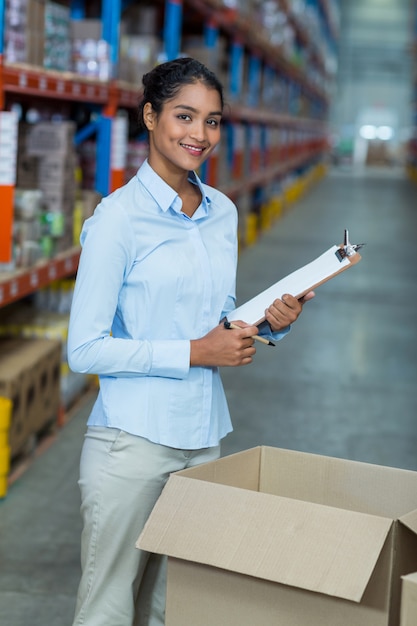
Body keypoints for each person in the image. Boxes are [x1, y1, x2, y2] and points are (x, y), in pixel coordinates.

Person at [67, 57, 314, 626]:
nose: (199, 135)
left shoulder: (221, 212)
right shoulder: (117, 221)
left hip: (202, 440)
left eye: (213, 121)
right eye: (184, 116)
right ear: (150, 117)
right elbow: (84, 349)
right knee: (107, 610)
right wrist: (197, 353)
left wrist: (273, 321)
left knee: (173, 609)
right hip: (130, 444)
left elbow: (215, 319)